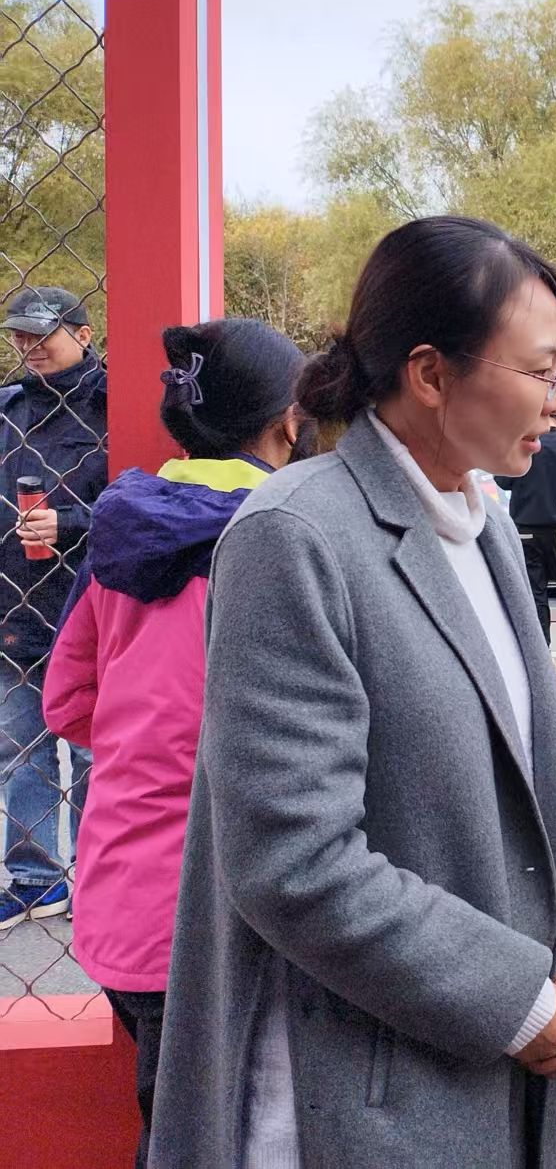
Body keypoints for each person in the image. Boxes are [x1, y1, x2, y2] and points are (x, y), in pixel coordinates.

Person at [146, 216, 556, 1168]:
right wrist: (520, 999)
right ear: (431, 373)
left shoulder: (486, 525)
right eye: (540, 371)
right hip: (354, 1087)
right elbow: (295, 859)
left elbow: (544, 771)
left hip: (489, 1046)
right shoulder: (295, 536)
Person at [41, 318, 305, 1167]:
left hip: (119, 897)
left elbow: (65, 699)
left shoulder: (118, 535)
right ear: (290, 420)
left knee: (175, 1117)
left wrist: (138, 739)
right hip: (223, 906)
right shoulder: (279, 537)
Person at [0, 285, 105, 929]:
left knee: (98, 751)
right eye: (20, 334)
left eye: (43, 333)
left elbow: (144, 500)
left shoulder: (118, 406)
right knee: (18, 747)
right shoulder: (7, 407)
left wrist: (69, 523)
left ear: (84, 334)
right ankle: (36, 880)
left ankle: (98, 875)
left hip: (89, 609)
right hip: (13, 608)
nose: (29, 346)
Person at [495, 419, 556, 643]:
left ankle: (542, 646)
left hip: (527, 527)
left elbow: (503, 480)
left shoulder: (524, 445)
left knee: (535, 591)